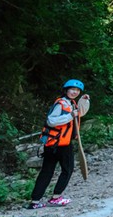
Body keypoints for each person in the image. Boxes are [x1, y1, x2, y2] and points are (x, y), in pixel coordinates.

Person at [28, 79, 87, 209]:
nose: (74, 92)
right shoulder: (61, 104)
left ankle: (35, 201)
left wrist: (85, 100)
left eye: (77, 90)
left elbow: (81, 112)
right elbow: (51, 121)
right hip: (59, 145)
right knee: (66, 170)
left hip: (57, 144)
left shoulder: (72, 104)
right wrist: (70, 115)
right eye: (72, 89)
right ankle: (55, 197)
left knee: (48, 171)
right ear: (66, 90)